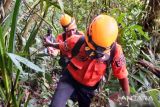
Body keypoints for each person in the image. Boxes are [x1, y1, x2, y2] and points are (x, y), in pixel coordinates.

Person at [44, 14, 130, 107]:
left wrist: (127, 97)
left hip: (88, 88)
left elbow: (122, 75)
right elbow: (62, 46)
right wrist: (50, 44)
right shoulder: (75, 41)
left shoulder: (115, 51)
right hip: (69, 79)